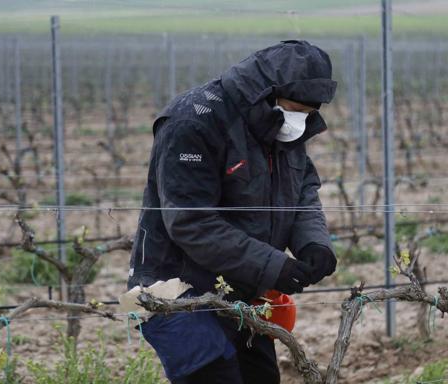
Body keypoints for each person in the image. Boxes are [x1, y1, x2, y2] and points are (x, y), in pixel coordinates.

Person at [125, 40, 337, 383]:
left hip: (242, 291)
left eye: (309, 114)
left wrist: (314, 244)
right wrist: (274, 266)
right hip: (171, 289)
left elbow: (302, 190)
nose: (300, 121)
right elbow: (191, 222)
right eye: (295, 109)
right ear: (266, 94)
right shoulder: (191, 122)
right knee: (215, 374)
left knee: (263, 378)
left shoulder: (279, 128)